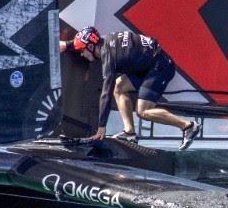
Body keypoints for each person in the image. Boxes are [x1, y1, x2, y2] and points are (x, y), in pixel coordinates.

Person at [60, 27, 201, 150]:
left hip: (159, 67)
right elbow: (85, 40)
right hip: (147, 64)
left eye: (82, 50)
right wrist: (67, 45)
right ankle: (129, 132)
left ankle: (188, 126)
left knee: (143, 111)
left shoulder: (108, 57)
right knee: (119, 87)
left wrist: (101, 127)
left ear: (90, 47)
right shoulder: (104, 40)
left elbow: (105, 95)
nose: (81, 54)